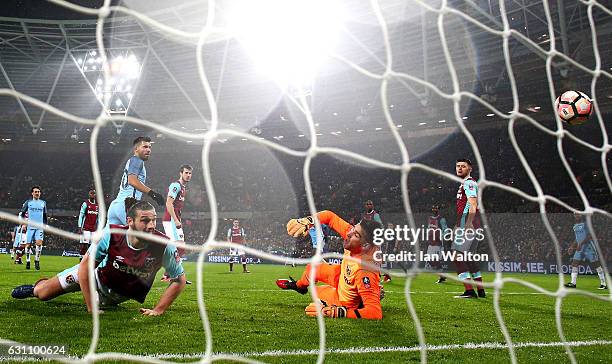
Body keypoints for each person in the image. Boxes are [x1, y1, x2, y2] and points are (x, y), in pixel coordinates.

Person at [11, 198, 187, 316]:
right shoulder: (112, 234)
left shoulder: (164, 245)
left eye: (154, 220)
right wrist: (91, 306)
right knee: (43, 294)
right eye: (145, 220)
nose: (151, 226)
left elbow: (179, 280)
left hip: (118, 296)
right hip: (94, 277)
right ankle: (35, 288)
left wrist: (158, 310)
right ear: (130, 222)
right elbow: (85, 267)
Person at [276, 210, 383, 319]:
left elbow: (374, 312)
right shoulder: (357, 235)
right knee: (313, 268)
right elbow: (330, 217)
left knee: (317, 293)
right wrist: (308, 221)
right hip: (341, 274)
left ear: (365, 245)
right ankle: (298, 286)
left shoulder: (365, 269)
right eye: (352, 228)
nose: (349, 233)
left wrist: (336, 312)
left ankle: (362, 299)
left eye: (355, 234)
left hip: (346, 298)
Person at [106, 136, 164, 225]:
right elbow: (132, 181)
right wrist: (153, 194)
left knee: (108, 238)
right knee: (139, 235)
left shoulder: (131, 161)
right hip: (127, 205)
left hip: (116, 205)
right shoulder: (137, 160)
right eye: (145, 147)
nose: (148, 150)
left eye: (149, 147)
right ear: (136, 148)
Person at [451, 159, 485, 298]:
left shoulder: (469, 183)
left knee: (456, 257)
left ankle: (469, 291)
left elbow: (472, 203)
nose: (459, 168)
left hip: (468, 225)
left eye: (463, 166)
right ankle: (481, 290)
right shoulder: (465, 183)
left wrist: (468, 223)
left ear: (469, 169)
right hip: (467, 223)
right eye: (457, 166)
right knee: (469, 258)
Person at [161, 164, 193, 283]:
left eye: (190, 173)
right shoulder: (176, 186)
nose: (188, 175)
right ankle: (173, 275)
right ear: (181, 173)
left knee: (179, 248)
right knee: (177, 247)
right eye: (186, 173)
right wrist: (175, 220)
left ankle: (169, 274)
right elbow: (169, 203)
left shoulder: (183, 188)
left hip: (174, 219)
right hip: (170, 220)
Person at [564, 213, 608, 290]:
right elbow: (577, 238)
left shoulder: (586, 224)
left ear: (581, 215)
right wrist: (572, 246)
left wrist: (581, 244)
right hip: (579, 248)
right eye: (575, 214)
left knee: (596, 264)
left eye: (578, 214)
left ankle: (603, 284)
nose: (577, 216)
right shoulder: (574, 226)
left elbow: (590, 235)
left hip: (589, 247)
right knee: (574, 263)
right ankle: (573, 283)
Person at [17, 186, 47, 270]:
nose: (37, 193)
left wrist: (45, 224)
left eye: (38, 192)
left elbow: (45, 215)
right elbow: (22, 214)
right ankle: (28, 261)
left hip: (39, 227)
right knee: (28, 245)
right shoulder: (28, 202)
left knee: (39, 244)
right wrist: (23, 223)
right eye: (36, 192)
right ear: (32, 193)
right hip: (30, 227)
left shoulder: (43, 203)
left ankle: (37, 261)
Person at [426, 205, 449, 283]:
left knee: (436, 260)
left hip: (437, 243)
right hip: (430, 242)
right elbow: (428, 229)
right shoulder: (429, 218)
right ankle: (442, 274)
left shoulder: (441, 219)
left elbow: (445, 229)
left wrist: (442, 237)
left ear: (438, 209)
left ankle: (441, 276)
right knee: (429, 260)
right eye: (433, 208)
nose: (434, 209)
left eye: (436, 208)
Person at [77, 189, 99, 261]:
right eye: (91, 193)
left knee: (92, 245)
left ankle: (89, 259)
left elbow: (98, 218)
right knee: (85, 244)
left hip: (93, 229)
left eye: (94, 193)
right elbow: (81, 215)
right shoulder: (85, 204)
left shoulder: (97, 205)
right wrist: (79, 227)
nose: (92, 194)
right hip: (85, 228)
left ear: (95, 195)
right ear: (89, 194)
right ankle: (81, 258)